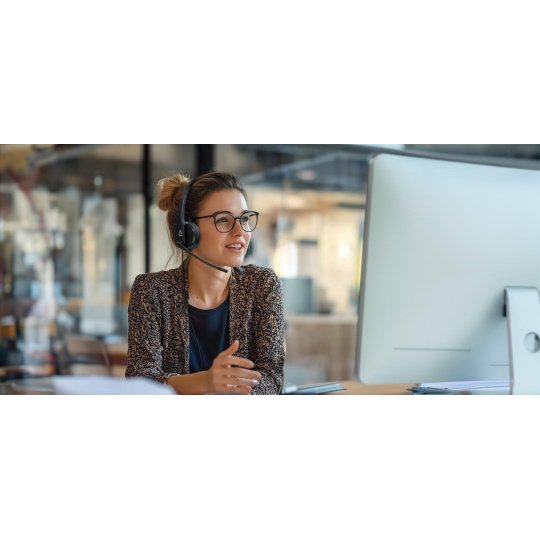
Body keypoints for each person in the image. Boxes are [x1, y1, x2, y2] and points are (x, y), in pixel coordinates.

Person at [125, 171, 285, 394]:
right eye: (223, 220)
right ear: (188, 232)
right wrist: (206, 382)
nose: (240, 231)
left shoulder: (262, 285)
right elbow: (140, 378)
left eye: (244, 219)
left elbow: (273, 379)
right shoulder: (151, 291)